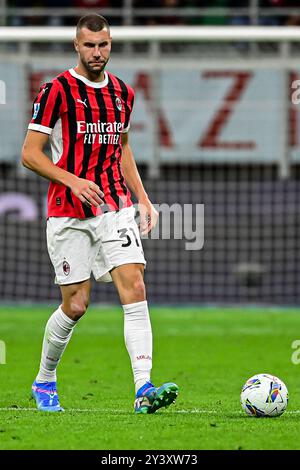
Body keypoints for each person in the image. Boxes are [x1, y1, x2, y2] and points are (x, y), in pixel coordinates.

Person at [22, 13, 179, 414]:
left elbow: (122, 148)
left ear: (111, 45)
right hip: (69, 211)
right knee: (76, 305)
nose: (97, 52)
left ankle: (144, 389)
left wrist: (142, 198)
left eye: (103, 44)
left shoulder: (123, 93)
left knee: (136, 288)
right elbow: (29, 154)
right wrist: (72, 180)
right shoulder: (56, 90)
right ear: (77, 45)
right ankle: (44, 379)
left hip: (114, 206)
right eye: (90, 45)